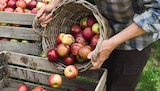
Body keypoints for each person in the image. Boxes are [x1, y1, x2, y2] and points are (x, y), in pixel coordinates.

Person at [36, 0, 160, 91]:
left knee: (122, 85)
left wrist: (112, 43)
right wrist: (54, 4)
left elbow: (157, 11)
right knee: (103, 81)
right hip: (102, 31)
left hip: (135, 39)